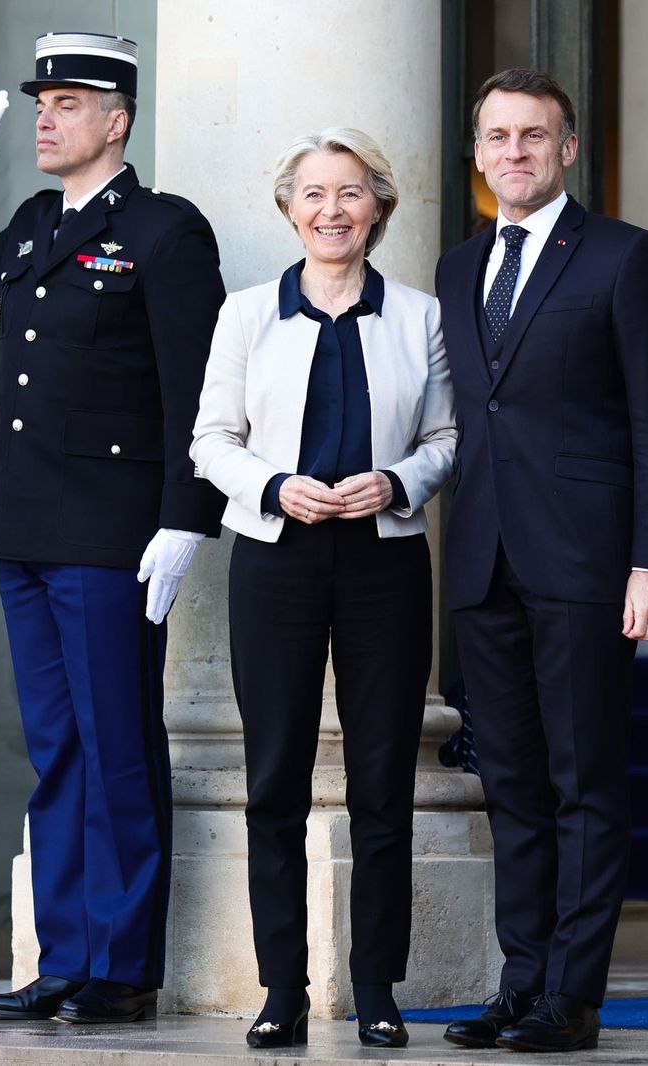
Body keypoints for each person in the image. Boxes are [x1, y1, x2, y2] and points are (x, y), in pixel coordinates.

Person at [0, 32, 226, 1024]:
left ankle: (120, 967)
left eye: (68, 102)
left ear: (117, 119)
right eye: (42, 100)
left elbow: (197, 391)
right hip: (30, 521)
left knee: (115, 743)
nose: (44, 115)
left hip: (112, 530)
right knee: (57, 749)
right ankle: (64, 955)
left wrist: (186, 519)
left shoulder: (166, 231)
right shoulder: (42, 222)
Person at [435, 68, 648, 1053]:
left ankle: (571, 997)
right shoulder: (458, 269)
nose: (514, 153)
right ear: (478, 153)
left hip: (588, 561)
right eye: (497, 137)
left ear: (567, 149)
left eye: (532, 136)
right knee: (510, 781)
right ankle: (521, 980)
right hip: (481, 559)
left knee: (585, 779)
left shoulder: (624, 257)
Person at [190, 128, 456, 1050]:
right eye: (313, 194)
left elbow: (449, 439)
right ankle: (281, 990)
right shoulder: (245, 315)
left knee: (384, 780)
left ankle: (378, 986)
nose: (331, 210)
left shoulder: (421, 318)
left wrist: (399, 483)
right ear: (288, 209)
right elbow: (211, 438)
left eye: (350, 193)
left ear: (378, 207)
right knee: (275, 783)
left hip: (384, 560)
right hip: (276, 558)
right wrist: (272, 485)